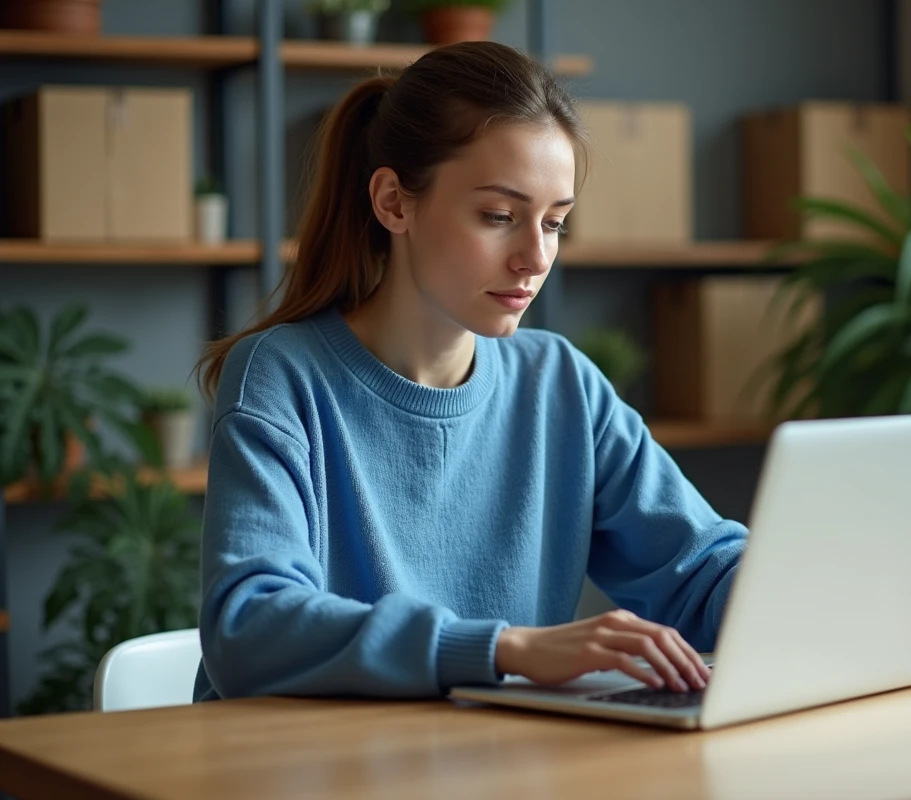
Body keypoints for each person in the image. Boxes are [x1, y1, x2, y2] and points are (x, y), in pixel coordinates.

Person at [192, 41, 747, 703]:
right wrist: (505, 648)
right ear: (394, 202)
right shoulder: (282, 377)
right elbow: (250, 627)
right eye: (498, 217)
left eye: (555, 223)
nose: (534, 258)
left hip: (496, 762)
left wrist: (816, 594)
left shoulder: (560, 381)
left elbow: (700, 570)